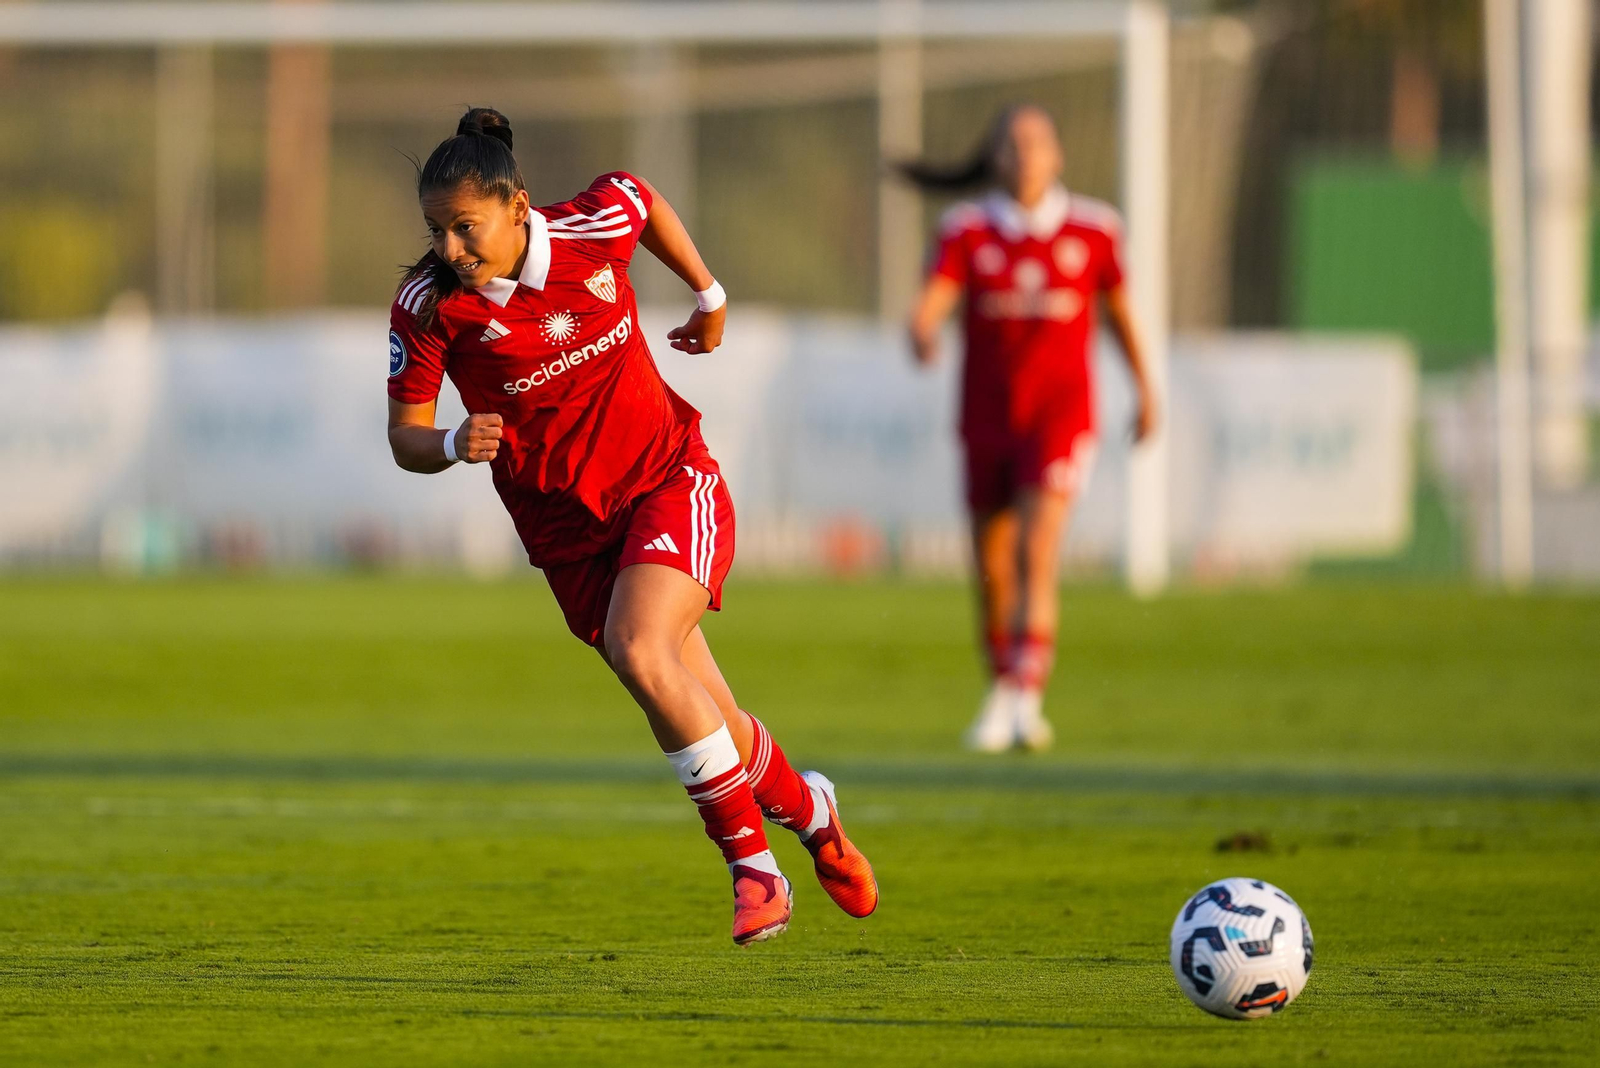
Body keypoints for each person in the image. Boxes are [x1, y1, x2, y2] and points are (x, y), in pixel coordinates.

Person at [386, 108, 877, 944]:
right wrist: (448, 443)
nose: (451, 251)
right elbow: (405, 438)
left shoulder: (587, 228)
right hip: (569, 539)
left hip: (667, 481)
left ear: (518, 206)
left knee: (640, 649)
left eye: (465, 229)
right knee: (703, 709)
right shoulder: (428, 308)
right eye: (437, 232)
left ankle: (754, 871)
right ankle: (812, 811)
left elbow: (640, 198)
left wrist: (710, 295)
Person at [902, 104, 1159, 753]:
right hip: (987, 417)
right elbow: (935, 295)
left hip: (1061, 416)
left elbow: (1121, 313)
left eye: (1037, 142)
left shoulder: (1096, 229)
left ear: (1058, 155)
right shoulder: (966, 229)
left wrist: (1146, 388)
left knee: (1036, 549)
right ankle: (1003, 687)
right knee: (991, 564)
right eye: (1012, 145)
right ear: (996, 159)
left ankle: (1023, 695)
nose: (1025, 155)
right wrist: (922, 327)